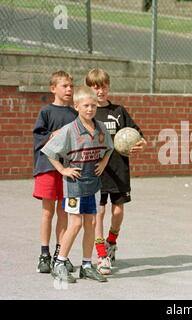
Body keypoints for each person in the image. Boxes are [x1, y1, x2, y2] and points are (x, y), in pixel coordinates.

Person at [41, 86, 114, 283]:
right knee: (75, 223)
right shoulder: (69, 130)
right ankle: (59, 262)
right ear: (77, 107)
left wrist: (103, 162)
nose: (90, 109)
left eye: (93, 105)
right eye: (86, 106)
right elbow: (49, 151)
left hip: (93, 183)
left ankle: (87, 265)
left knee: (91, 223)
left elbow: (109, 148)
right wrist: (63, 170)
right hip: (75, 185)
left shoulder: (100, 128)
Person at [85, 68, 147, 275]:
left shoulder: (119, 111)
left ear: (108, 87)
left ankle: (112, 241)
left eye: (103, 87)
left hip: (119, 169)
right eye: (95, 87)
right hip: (98, 171)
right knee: (99, 212)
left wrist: (141, 144)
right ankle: (101, 255)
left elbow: (138, 135)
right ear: (89, 89)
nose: (100, 91)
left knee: (118, 211)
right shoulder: (89, 113)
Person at [33, 70, 77, 274]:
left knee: (64, 212)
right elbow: (39, 138)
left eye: (71, 86)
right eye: (64, 86)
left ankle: (61, 254)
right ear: (53, 89)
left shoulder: (75, 114)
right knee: (47, 211)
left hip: (67, 170)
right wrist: (54, 134)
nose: (69, 89)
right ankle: (44, 254)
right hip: (48, 167)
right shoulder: (46, 112)